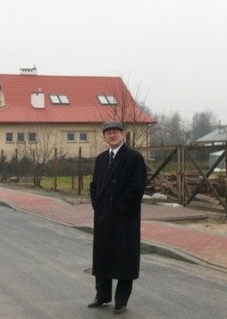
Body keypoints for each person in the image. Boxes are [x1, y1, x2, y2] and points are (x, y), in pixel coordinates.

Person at [88, 121, 147, 315]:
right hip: (103, 216)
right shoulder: (101, 158)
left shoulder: (133, 158)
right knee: (103, 256)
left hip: (124, 218)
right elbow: (94, 184)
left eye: (115, 132)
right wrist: (97, 204)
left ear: (123, 134)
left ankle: (121, 301)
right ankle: (102, 295)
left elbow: (136, 188)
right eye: (108, 133)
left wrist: (119, 208)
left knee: (124, 259)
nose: (112, 136)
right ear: (104, 136)